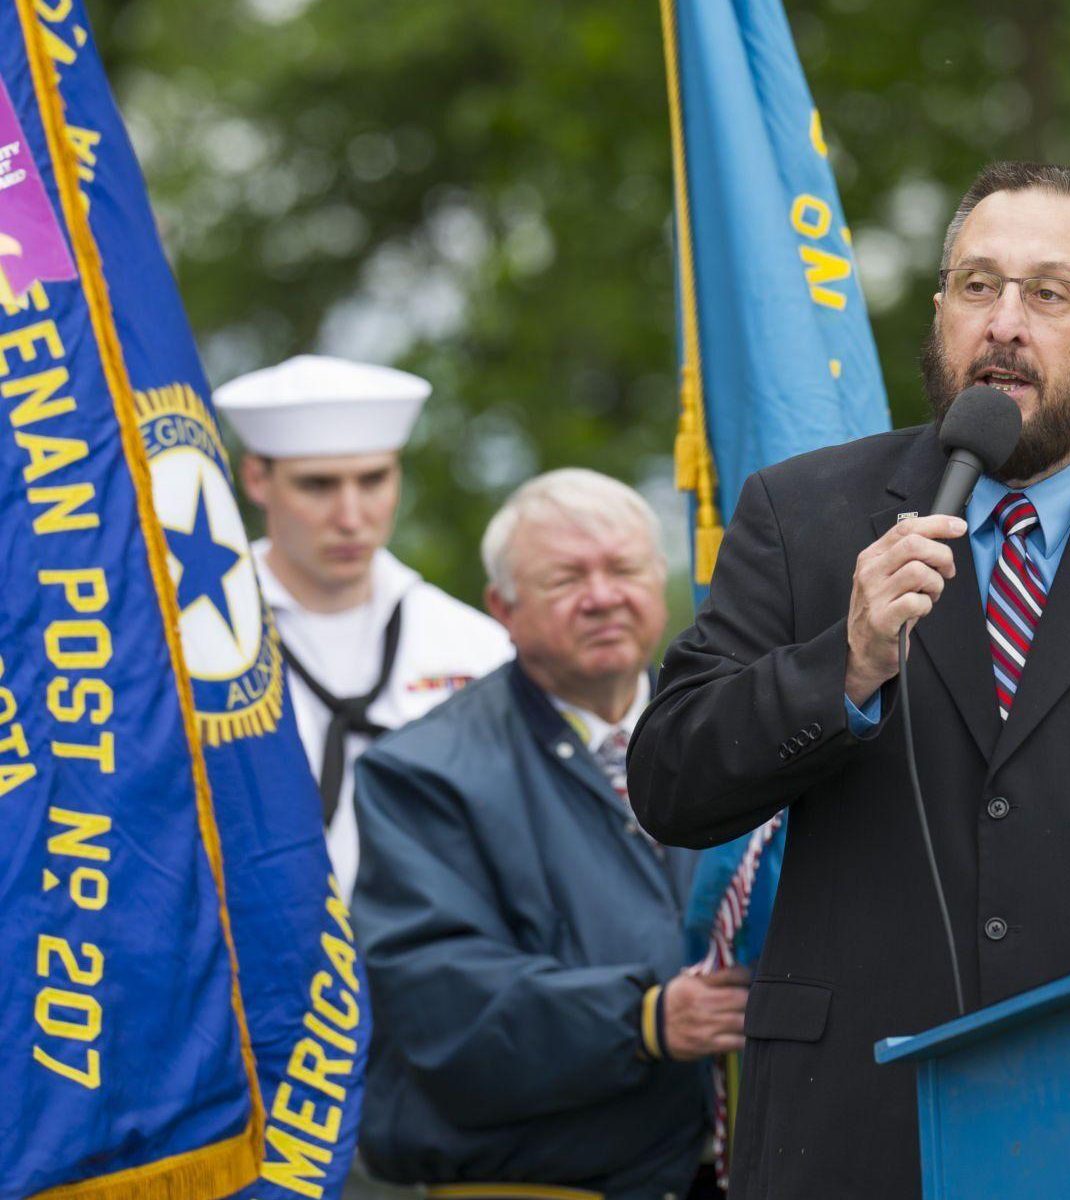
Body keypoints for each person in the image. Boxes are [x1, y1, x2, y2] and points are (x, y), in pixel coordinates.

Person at [628, 161, 1070, 1199]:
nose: (1003, 322)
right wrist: (842, 664)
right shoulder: (804, 516)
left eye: (1049, 294)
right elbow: (668, 781)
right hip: (848, 1126)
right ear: (938, 317)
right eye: (976, 286)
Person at [351, 468, 747, 1199]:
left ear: (657, 579)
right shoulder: (422, 775)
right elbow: (438, 1002)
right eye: (567, 578)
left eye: (623, 569)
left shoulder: (734, 737)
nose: (602, 596)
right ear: (503, 606)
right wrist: (642, 1018)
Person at [216, 355, 510, 899]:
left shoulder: (476, 647)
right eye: (318, 485)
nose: (351, 515)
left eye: (373, 479)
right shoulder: (200, 642)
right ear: (257, 478)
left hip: (438, 959)